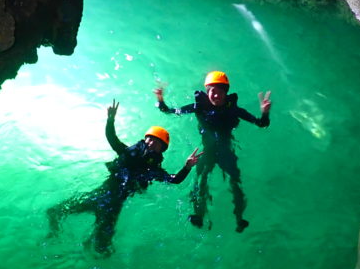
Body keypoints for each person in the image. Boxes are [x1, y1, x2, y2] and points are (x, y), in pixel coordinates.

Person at [47, 100, 200, 255]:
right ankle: (54, 236)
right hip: (100, 196)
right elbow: (112, 138)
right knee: (55, 211)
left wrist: (187, 167)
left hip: (113, 208)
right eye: (150, 139)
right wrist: (110, 119)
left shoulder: (153, 170)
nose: (152, 143)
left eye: (157, 142)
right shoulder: (128, 153)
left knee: (102, 249)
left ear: (162, 149)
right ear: (145, 139)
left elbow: (175, 179)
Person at [154, 71, 271, 232]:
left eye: (220, 92)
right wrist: (160, 99)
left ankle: (239, 218)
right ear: (207, 92)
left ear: (226, 93)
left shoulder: (234, 110)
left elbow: (261, 124)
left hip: (226, 150)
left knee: (235, 181)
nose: (216, 95)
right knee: (201, 180)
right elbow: (170, 111)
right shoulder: (198, 107)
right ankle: (198, 215)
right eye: (212, 91)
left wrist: (265, 112)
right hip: (206, 152)